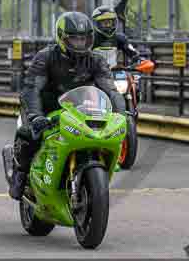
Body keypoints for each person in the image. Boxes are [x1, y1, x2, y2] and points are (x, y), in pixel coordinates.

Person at [9, 12, 126, 200]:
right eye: (74, 39)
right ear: (62, 37)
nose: (80, 43)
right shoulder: (45, 57)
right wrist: (36, 116)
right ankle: (20, 174)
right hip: (45, 109)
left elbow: (111, 90)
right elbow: (32, 89)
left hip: (78, 109)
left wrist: (121, 115)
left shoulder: (96, 60)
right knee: (28, 133)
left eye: (83, 38)